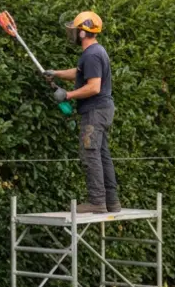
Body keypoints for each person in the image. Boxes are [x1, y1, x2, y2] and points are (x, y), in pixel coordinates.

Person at [44, 11, 119, 214]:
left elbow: (93, 87)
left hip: (94, 111)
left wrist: (68, 95)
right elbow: (79, 73)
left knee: (90, 153)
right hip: (102, 110)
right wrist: (56, 73)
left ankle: (97, 201)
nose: (73, 33)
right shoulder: (94, 53)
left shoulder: (92, 54)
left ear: (83, 33)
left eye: (76, 30)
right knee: (102, 154)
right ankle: (111, 201)